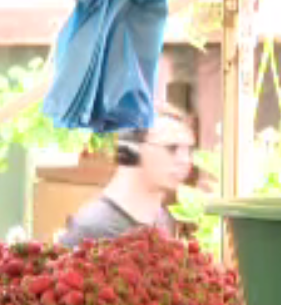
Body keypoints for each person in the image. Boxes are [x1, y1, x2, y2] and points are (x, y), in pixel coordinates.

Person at [59, 104, 194, 248]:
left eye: (189, 150)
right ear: (133, 151)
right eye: (172, 148)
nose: (185, 160)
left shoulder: (162, 219)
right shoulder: (92, 228)